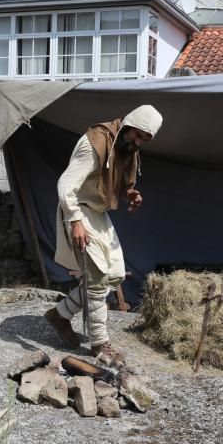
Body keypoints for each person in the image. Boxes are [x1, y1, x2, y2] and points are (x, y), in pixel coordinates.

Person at [45, 105, 163, 361]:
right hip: (77, 209)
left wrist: (129, 192)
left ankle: (61, 314)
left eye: (145, 139)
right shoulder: (95, 142)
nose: (139, 142)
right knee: (97, 276)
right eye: (139, 135)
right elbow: (65, 185)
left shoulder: (125, 149)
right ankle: (100, 344)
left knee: (115, 274)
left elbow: (115, 181)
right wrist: (75, 220)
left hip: (97, 214)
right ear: (130, 125)